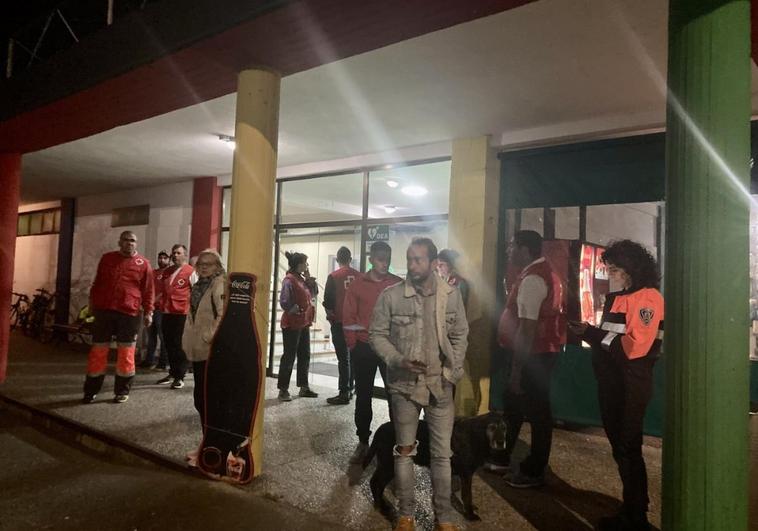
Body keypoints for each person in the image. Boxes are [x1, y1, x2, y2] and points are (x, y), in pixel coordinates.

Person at [370, 238, 469, 531]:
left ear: (433, 262)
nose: (412, 265)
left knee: (442, 454)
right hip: (404, 386)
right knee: (404, 451)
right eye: (409, 259)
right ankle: (406, 515)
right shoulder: (392, 296)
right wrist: (398, 359)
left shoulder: (450, 295)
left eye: (418, 260)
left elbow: (461, 333)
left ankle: (444, 517)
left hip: (440, 385)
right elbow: (376, 334)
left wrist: (453, 372)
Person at [569, 240, 663, 531]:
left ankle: (637, 516)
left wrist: (594, 336)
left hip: (630, 384)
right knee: (621, 448)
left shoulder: (648, 298)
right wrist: (590, 333)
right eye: (609, 268)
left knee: (628, 448)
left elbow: (633, 348)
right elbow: (613, 341)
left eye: (615, 269)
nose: (610, 273)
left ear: (632, 269)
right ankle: (631, 508)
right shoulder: (618, 297)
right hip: (611, 382)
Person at [496, 230, 565, 488]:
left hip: (532, 355)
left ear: (525, 249)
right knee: (519, 409)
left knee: (536, 412)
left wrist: (516, 369)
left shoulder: (534, 278)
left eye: (512, 245)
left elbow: (527, 328)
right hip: (539, 353)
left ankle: (533, 469)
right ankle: (502, 456)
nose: (509, 251)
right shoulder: (543, 271)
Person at [343, 241, 402, 463]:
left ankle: (399, 440)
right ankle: (363, 440)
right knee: (364, 395)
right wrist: (352, 345)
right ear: (371, 259)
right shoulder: (358, 285)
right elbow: (348, 316)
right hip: (364, 347)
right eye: (379, 258)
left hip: (390, 348)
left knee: (395, 396)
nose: (384, 262)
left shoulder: (397, 284)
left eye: (387, 258)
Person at [82, 231, 154, 404]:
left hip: (129, 313)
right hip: (104, 311)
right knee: (98, 352)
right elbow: (97, 283)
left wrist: (149, 312)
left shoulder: (144, 264)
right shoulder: (107, 259)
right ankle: (91, 390)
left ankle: (122, 390)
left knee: (126, 353)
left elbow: (149, 290)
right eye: (126, 240)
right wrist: (92, 306)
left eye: (133, 241)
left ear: (136, 244)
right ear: (119, 242)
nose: (130, 243)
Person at [182, 249, 225, 444]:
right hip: (200, 349)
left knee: (206, 398)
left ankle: (212, 443)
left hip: (211, 350)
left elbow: (222, 315)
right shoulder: (199, 285)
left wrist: (208, 337)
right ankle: (208, 441)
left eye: (209, 263)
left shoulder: (219, 284)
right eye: (201, 264)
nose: (204, 267)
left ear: (218, 266)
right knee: (201, 397)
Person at [277, 251, 319, 401]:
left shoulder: (302, 279)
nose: (307, 265)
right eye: (305, 263)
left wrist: (309, 279)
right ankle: (283, 389)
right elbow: (284, 300)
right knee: (289, 356)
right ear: (298, 264)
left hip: (304, 322)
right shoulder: (289, 280)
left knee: (304, 355)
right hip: (292, 323)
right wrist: (292, 308)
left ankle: (304, 386)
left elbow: (314, 294)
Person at [323, 246, 360, 405]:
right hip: (356, 324)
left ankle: (343, 392)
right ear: (350, 259)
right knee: (352, 357)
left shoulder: (333, 276)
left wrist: (330, 315)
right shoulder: (360, 276)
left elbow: (328, 301)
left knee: (343, 359)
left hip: (339, 321)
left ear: (338, 260)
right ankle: (351, 388)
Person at [156, 244, 194, 389]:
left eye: (178, 253)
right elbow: (162, 291)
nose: (175, 255)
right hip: (167, 312)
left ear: (185, 255)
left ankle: (180, 376)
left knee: (179, 345)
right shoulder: (168, 271)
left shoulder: (191, 272)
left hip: (182, 314)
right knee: (169, 344)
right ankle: (172, 372)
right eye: (174, 253)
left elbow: (196, 293)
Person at [139, 250, 170, 370]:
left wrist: (154, 300)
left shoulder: (169, 273)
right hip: (150, 309)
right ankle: (149, 360)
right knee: (151, 336)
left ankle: (163, 362)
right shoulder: (153, 273)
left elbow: (166, 291)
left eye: (164, 258)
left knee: (163, 337)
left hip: (161, 309)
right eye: (160, 258)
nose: (162, 260)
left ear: (168, 260)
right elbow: (147, 289)